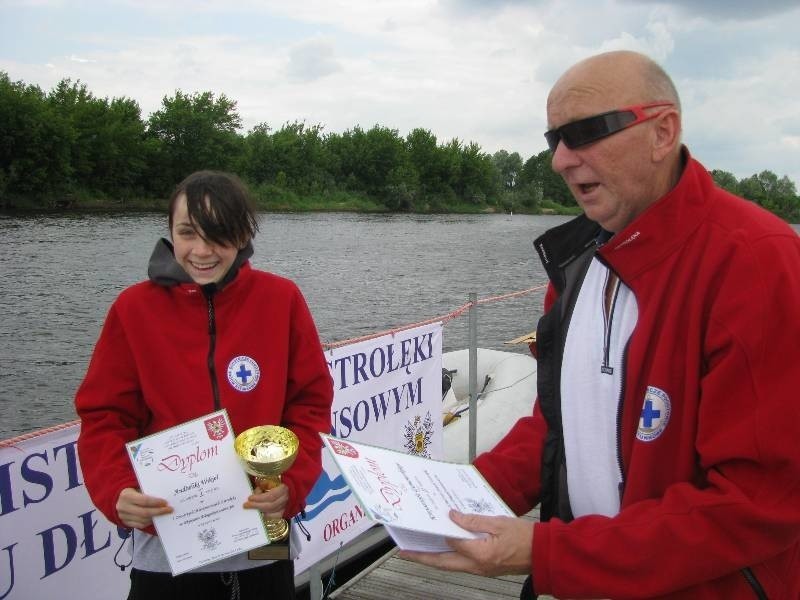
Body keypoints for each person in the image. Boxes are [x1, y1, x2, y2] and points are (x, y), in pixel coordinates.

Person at [399, 50, 800, 599]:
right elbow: (557, 426)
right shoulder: (579, 261)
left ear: (663, 132)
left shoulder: (757, 262)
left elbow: (755, 503)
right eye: (553, 140)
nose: (561, 160)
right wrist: (459, 496)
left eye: (585, 132)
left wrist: (543, 551)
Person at [75, 170, 334, 599]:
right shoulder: (131, 309)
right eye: (187, 233)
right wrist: (116, 489)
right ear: (169, 232)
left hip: (266, 527)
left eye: (218, 234)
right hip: (166, 538)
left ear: (243, 233)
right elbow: (104, 416)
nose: (201, 250)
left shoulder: (281, 299)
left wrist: (292, 484)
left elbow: (309, 405)